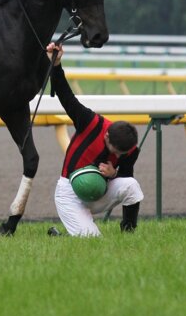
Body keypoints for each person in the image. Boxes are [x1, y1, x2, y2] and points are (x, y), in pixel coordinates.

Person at [47, 42, 144, 237]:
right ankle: (58, 236)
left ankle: (128, 233)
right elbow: (66, 95)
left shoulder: (130, 150)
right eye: (115, 151)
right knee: (92, 240)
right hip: (69, 192)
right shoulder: (89, 122)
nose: (118, 156)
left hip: (100, 191)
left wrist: (114, 173)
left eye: (122, 154)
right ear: (107, 136)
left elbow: (125, 176)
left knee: (132, 185)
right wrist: (56, 65)